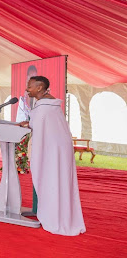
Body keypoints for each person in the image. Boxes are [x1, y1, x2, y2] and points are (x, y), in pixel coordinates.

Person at [19, 76, 85, 236]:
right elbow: (43, 125)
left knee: (52, 182)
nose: (27, 89)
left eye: (30, 86)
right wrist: (30, 123)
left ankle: (55, 218)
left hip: (52, 151)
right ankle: (60, 215)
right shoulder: (49, 104)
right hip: (58, 149)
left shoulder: (44, 107)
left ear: (40, 88)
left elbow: (42, 126)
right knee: (59, 182)